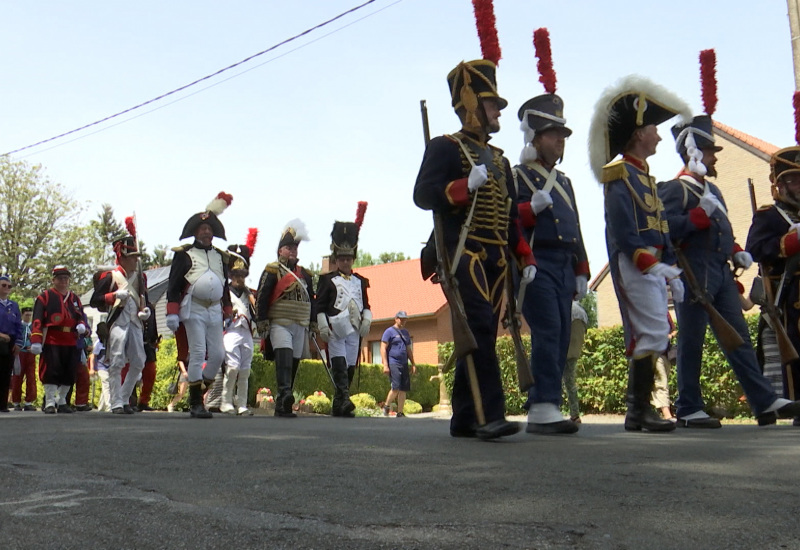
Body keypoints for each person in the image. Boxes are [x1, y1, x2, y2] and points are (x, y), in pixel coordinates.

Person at [413, 58, 536, 440]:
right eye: (492, 103)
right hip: (463, 252)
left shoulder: (500, 160)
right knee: (479, 325)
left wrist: (524, 256)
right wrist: (463, 186)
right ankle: (490, 415)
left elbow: (511, 216)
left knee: (482, 331)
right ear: (471, 103)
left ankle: (465, 416)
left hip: (498, 257)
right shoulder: (445, 148)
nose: (498, 111)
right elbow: (423, 195)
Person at [661, 115, 800, 427]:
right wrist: (696, 217)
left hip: (720, 272)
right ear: (694, 152)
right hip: (692, 272)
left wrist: (737, 252)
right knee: (691, 340)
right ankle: (688, 406)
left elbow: (724, 233)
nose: (713, 158)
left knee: (739, 339)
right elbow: (664, 229)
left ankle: (763, 401)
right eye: (709, 151)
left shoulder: (714, 192)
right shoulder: (674, 190)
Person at [587, 75, 691, 433]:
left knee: (657, 332)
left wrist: (670, 265)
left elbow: (660, 227)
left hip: (653, 262)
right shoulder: (620, 175)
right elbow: (622, 230)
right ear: (637, 134)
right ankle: (638, 411)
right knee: (650, 333)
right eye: (652, 128)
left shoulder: (644, 175)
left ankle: (639, 411)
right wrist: (651, 264)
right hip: (636, 262)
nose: (659, 135)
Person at [513, 36, 589, 433]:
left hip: (562, 266)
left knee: (562, 333)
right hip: (535, 263)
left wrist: (582, 269)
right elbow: (508, 220)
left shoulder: (565, 182)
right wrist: (530, 209)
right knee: (548, 330)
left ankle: (548, 403)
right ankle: (542, 404)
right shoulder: (518, 176)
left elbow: (575, 229)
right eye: (553, 134)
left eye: (561, 136)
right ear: (535, 136)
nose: (560, 141)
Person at [166, 192, 234, 418]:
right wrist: (172, 312)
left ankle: (197, 391)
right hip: (192, 307)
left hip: (214, 309)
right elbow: (174, 285)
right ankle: (196, 404)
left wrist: (227, 309)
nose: (207, 232)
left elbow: (224, 286)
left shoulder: (221, 256)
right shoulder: (184, 255)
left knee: (217, 355)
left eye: (209, 229)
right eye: (202, 229)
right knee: (197, 352)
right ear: (195, 232)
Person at [747, 145, 800, 422]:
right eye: (793, 180)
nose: (798, 185)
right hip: (786, 294)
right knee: (787, 352)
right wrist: (789, 242)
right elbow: (755, 248)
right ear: (779, 185)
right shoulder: (769, 215)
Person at [256, 220, 315, 418]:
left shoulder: (305, 274)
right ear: (280, 250)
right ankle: (285, 393)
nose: (293, 251)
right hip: (280, 322)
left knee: (295, 362)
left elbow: (311, 300)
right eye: (289, 247)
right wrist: (261, 321)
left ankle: (284, 403)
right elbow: (262, 297)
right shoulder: (273, 270)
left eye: (295, 248)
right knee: (285, 358)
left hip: (300, 324)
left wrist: (313, 323)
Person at [316, 206, 371, 418]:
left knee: (349, 367)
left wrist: (367, 319)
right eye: (342, 259)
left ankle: (339, 404)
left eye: (348, 259)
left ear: (353, 259)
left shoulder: (360, 281)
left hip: (355, 329)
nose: (345, 262)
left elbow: (366, 304)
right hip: (336, 328)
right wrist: (322, 325)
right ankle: (345, 400)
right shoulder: (327, 280)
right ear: (336, 259)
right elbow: (320, 306)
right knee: (338, 365)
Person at [91, 234, 152, 414]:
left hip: (135, 323)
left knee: (139, 361)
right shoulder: (111, 276)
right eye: (132, 257)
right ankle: (116, 402)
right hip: (117, 321)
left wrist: (145, 311)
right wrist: (114, 296)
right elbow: (96, 300)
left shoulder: (140, 278)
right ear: (122, 257)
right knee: (117, 362)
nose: (135, 261)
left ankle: (124, 397)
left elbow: (143, 299)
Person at [30, 266, 89, 414]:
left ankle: (62, 401)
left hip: (71, 340)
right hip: (52, 339)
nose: (63, 281)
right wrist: (36, 339)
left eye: (66, 278)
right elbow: (37, 319)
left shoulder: (75, 298)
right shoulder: (45, 297)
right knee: (51, 370)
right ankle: (50, 402)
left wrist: (82, 325)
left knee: (69, 372)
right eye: (60, 278)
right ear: (53, 280)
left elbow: (80, 316)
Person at [221, 234, 258, 415]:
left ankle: (242, 404)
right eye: (236, 274)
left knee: (245, 370)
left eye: (242, 274)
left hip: (247, 332)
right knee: (232, 367)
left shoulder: (250, 294)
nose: (239, 278)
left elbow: (257, 313)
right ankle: (226, 402)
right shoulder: (224, 291)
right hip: (230, 331)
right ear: (230, 274)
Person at [381, 311, 416, 418]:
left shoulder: (405, 333)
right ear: (396, 319)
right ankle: (386, 406)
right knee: (395, 387)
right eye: (401, 319)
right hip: (393, 362)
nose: (403, 321)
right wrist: (385, 365)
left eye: (405, 319)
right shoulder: (389, 332)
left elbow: (408, 349)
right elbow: (383, 348)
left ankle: (400, 412)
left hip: (404, 363)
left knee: (403, 388)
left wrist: (413, 364)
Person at [0, 275, 22, 413]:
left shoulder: (13, 306)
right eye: (4, 285)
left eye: (9, 286)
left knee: (6, 373)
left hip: (10, 343)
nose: (7, 288)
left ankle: (2, 404)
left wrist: (19, 343)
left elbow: (19, 326)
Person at [563, 301, 588, 423]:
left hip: (562, 350)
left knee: (562, 382)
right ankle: (575, 413)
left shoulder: (566, 307)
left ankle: (554, 412)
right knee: (570, 382)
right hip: (574, 350)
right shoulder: (581, 311)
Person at [11, 306, 36, 411]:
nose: (28, 317)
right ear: (22, 315)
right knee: (17, 377)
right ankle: (16, 402)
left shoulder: (33, 327)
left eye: (30, 315)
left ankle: (29, 401)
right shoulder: (18, 326)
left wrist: (34, 346)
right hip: (20, 353)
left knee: (31, 377)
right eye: (26, 315)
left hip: (30, 354)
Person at [137, 302, 160, 411]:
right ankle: (128, 401)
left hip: (148, 345)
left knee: (150, 374)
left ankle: (143, 401)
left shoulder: (150, 306)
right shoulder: (133, 302)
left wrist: (154, 339)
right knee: (130, 372)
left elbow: (153, 324)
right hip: (135, 343)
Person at [167, 325, 190, 412]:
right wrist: (184, 372)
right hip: (185, 373)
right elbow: (180, 361)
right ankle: (171, 405)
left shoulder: (196, 351)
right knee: (181, 393)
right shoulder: (184, 350)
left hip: (193, 372)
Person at [90, 322, 111, 412]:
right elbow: (93, 356)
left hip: (110, 367)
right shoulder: (98, 344)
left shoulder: (110, 342)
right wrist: (92, 368)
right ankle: (109, 406)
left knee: (106, 387)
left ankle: (101, 407)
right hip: (101, 367)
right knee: (107, 384)